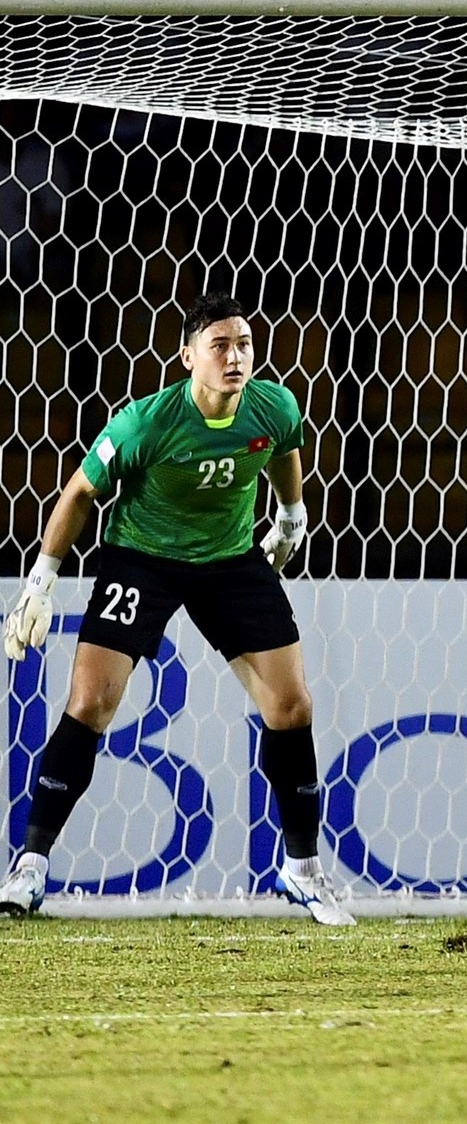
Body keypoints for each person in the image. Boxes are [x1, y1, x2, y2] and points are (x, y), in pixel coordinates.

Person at [0, 293, 352, 926]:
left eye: (244, 345)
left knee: (292, 706)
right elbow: (80, 491)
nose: (235, 357)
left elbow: (283, 448)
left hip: (229, 561)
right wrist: (41, 580)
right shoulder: (146, 423)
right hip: (142, 560)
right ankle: (30, 865)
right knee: (90, 704)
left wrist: (291, 514)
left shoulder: (274, 405)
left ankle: (302, 871)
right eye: (220, 346)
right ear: (189, 356)